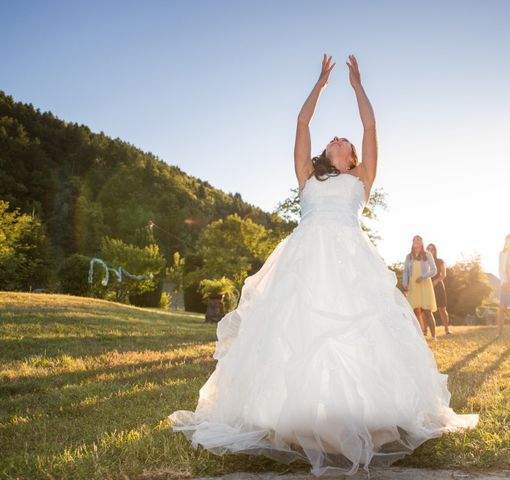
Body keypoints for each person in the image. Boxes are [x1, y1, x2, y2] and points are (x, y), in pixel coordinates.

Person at [168, 54, 479, 477]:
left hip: (351, 261)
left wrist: (357, 86)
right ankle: (295, 416)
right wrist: (320, 84)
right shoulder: (306, 176)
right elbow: (301, 124)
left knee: (358, 333)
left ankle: (367, 417)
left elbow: (371, 128)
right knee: (297, 333)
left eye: (343, 139)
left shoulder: (362, 179)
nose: (336, 137)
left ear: (351, 157)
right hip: (304, 259)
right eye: (333, 137)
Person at [402, 236, 438, 339]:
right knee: (413, 310)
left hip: (425, 284)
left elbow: (434, 270)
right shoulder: (409, 256)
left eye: (418, 239)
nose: (416, 241)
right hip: (413, 285)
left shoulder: (427, 255)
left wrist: (423, 277)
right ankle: (417, 335)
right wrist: (405, 284)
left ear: (422, 242)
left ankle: (434, 336)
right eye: (414, 239)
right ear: (412, 242)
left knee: (427, 311)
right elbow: (405, 272)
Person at [427, 243, 451, 335]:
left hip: (439, 286)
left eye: (432, 249)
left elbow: (443, 274)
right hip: (428, 286)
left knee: (442, 308)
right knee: (427, 309)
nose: (430, 250)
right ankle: (426, 331)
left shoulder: (440, 261)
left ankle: (446, 329)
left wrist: (436, 281)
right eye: (428, 249)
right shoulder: (424, 261)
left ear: (435, 250)